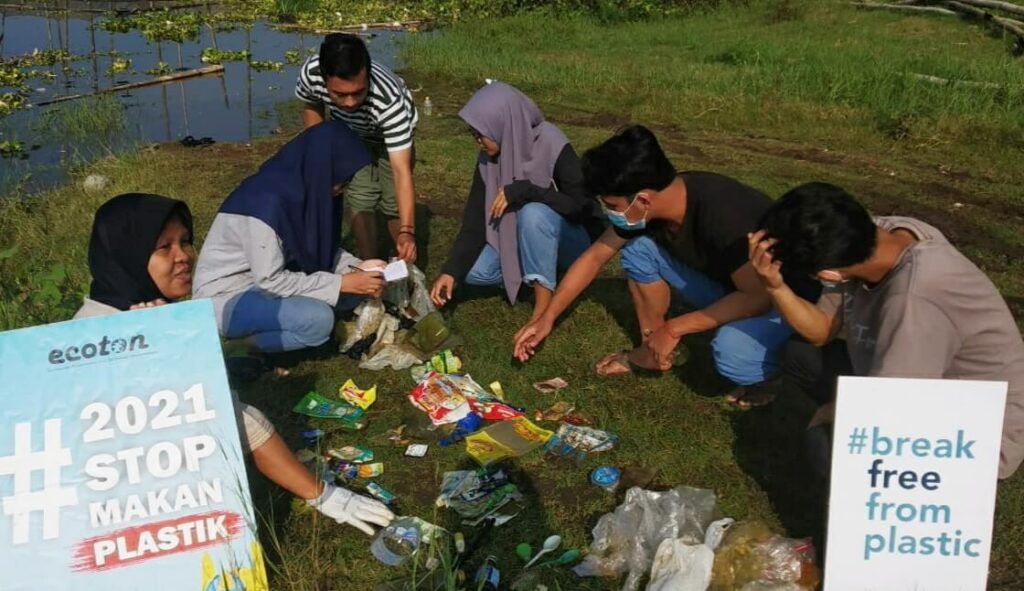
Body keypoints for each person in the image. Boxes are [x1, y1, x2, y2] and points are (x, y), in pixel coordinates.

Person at [75, 193, 394, 534]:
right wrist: (324, 495)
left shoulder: (137, 310)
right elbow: (231, 419)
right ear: (129, 255)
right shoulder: (98, 338)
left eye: (185, 242)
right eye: (164, 248)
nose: (183, 257)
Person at [749, 182, 1024, 479]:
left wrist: (835, 412)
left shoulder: (914, 299)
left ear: (829, 275)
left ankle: (875, 505)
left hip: (979, 431)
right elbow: (821, 331)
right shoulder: (879, 234)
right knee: (799, 354)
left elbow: (896, 405)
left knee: (825, 444)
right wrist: (774, 286)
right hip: (919, 379)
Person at [513, 125, 801, 403]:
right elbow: (595, 256)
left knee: (731, 352)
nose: (611, 213)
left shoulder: (722, 214)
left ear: (643, 199)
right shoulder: (659, 202)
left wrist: (675, 328)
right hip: (734, 287)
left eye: (612, 206)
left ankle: (768, 375)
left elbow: (758, 298)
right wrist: (547, 317)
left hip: (785, 300)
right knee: (639, 249)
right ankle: (651, 353)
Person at [192, 121, 387, 353]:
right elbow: (270, 281)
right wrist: (342, 282)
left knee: (352, 293)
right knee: (318, 319)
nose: (342, 189)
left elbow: (319, 247)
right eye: (341, 181)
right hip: (226, 297)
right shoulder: (265, 203)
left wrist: (358, 267)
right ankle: (240, 349)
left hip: (261, 281)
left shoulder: (304, 191)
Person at [429, 82, 602, 319]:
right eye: (473, 134)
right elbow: (475, 222)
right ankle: (538, 271)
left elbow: (580, 207)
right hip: (522, 240)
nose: (477, 141)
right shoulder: (487, 162)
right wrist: (451, 272)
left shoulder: (550, 142)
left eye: (481, 134)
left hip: (575, 241)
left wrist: (529, 191)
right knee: (473, 272)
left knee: (533, 214)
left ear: (502, 124)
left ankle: (542, 306)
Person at [296, 33, 418, 263]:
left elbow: (402, 172)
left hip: (386, 136)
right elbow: (312, 105)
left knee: (394, 204)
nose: (350, 102)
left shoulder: (389, 102)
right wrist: (322, 162)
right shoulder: (311, 74)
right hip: (351, 133)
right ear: (324, 79)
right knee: (360, 198)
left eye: (358, 92)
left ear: (368, 76)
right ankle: (371, 269)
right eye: (340, 94)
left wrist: (408, 231)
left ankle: (406, 269)